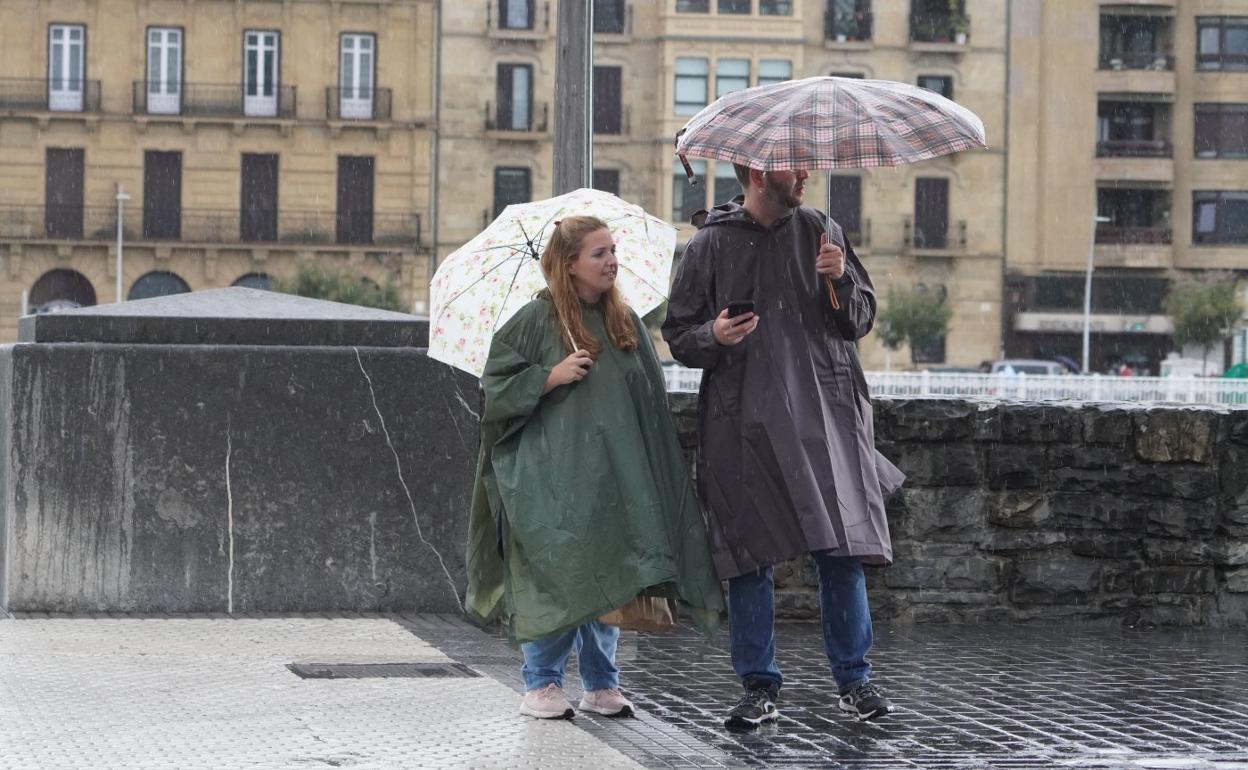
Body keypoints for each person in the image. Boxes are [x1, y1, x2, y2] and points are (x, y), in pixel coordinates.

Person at [663, 165, 905, 729]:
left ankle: (855, 680)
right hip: (743, 418)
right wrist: (712, 336)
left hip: (825, 411)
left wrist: (840, 279)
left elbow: (860, 320)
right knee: (749, 553)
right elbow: (678, 335)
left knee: (841, 547)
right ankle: (758, 686)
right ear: (753, 172)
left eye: (805, 162)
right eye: (790, 164)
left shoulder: (823, 231)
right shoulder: (709, 244)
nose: (803, 174)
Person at [466, 215, 725, 721]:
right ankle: (540, 683)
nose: (611, 261)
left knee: (610, 572)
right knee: (559, 574)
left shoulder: (622, 321)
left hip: (612, 477)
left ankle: (601, 683)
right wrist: (548, 376)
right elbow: (494, 389)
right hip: (551, 478)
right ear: (569, 265)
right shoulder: (534, 321)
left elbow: (647, 402)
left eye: (613, 251)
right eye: (599, 253)